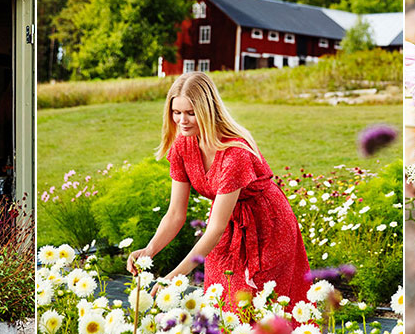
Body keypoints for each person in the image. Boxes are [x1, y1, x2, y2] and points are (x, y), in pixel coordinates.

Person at [127, 72, 310, 311]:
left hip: (267, 226)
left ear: (208, 110)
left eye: (191, 113)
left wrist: (174, 277)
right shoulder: (183, 145)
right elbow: (175, 214)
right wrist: (149, 251)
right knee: (221, 303)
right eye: (176, 112)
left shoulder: (235, 154)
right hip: (228, 224)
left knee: (263, 308)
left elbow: (215, 228)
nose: (182, 120)